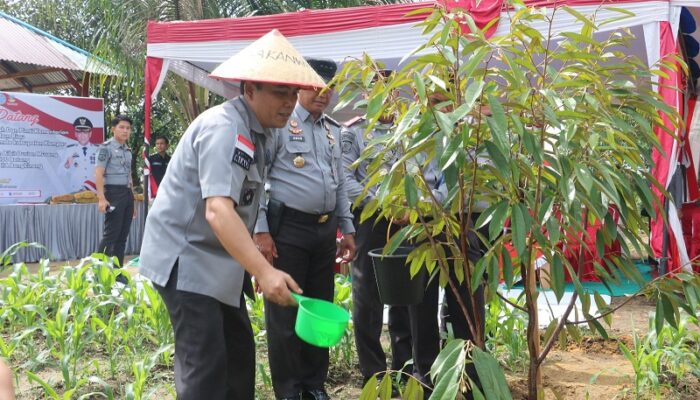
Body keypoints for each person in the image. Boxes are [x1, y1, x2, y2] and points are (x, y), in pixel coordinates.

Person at [138, 29, 325, 400]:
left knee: (238, 360)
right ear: (250, 90)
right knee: (205, 368)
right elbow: (219, 211)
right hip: (187, 260)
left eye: (292, 93)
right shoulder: (224, 128)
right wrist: (263, 270)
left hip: (218, 263)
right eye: (279, 92)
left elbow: (247, 201)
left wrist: (253, 261)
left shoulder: (264, 133)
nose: (289, 103)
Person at [253, 58, 356, 400]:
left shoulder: (332, 130)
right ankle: (288, 389)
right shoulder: (279, 126)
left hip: (325, 232)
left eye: (329, 89)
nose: (323, 95)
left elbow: (339, 184)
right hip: (289, 231)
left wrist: (348, 228)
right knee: (285, 310)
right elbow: (257, 180)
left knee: (319, 306)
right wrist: (261, 230)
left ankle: (314, 384)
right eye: (315, 87)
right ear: (299, 87)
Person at [340, 70, 413, 395]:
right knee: (367, 298)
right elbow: (346, 177)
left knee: (403, 297)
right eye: (378, 89)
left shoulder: (408, 131)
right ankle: (375, 376)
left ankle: (405, 371)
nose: (385, 96)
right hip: (370, 221)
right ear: (367, 95)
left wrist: (406, 206)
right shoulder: (353, 132)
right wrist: (384, 203)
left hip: (406, 223)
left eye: (391, 89)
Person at [95, 115, 134, 282]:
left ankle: (117, 272)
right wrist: (101, 199)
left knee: (122, 236)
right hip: (113, 193)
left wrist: (133, 201)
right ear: (113, 129)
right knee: (111, 235)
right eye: (122, 127)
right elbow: (98, 173)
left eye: (128, 128)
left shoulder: (128, 150)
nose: (125, 131)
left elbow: (129, 175)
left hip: (126, 194)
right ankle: (98, 273)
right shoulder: (106, 148)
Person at [60, 117, 99, 192]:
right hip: (75, 191)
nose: (82, 135)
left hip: (93, 191)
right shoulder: (69, 150)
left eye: (85, 132)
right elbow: (60, 173)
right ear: (75, 134)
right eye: (79, 132)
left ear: (90, 134)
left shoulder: (98, 150)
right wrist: (67, 165)